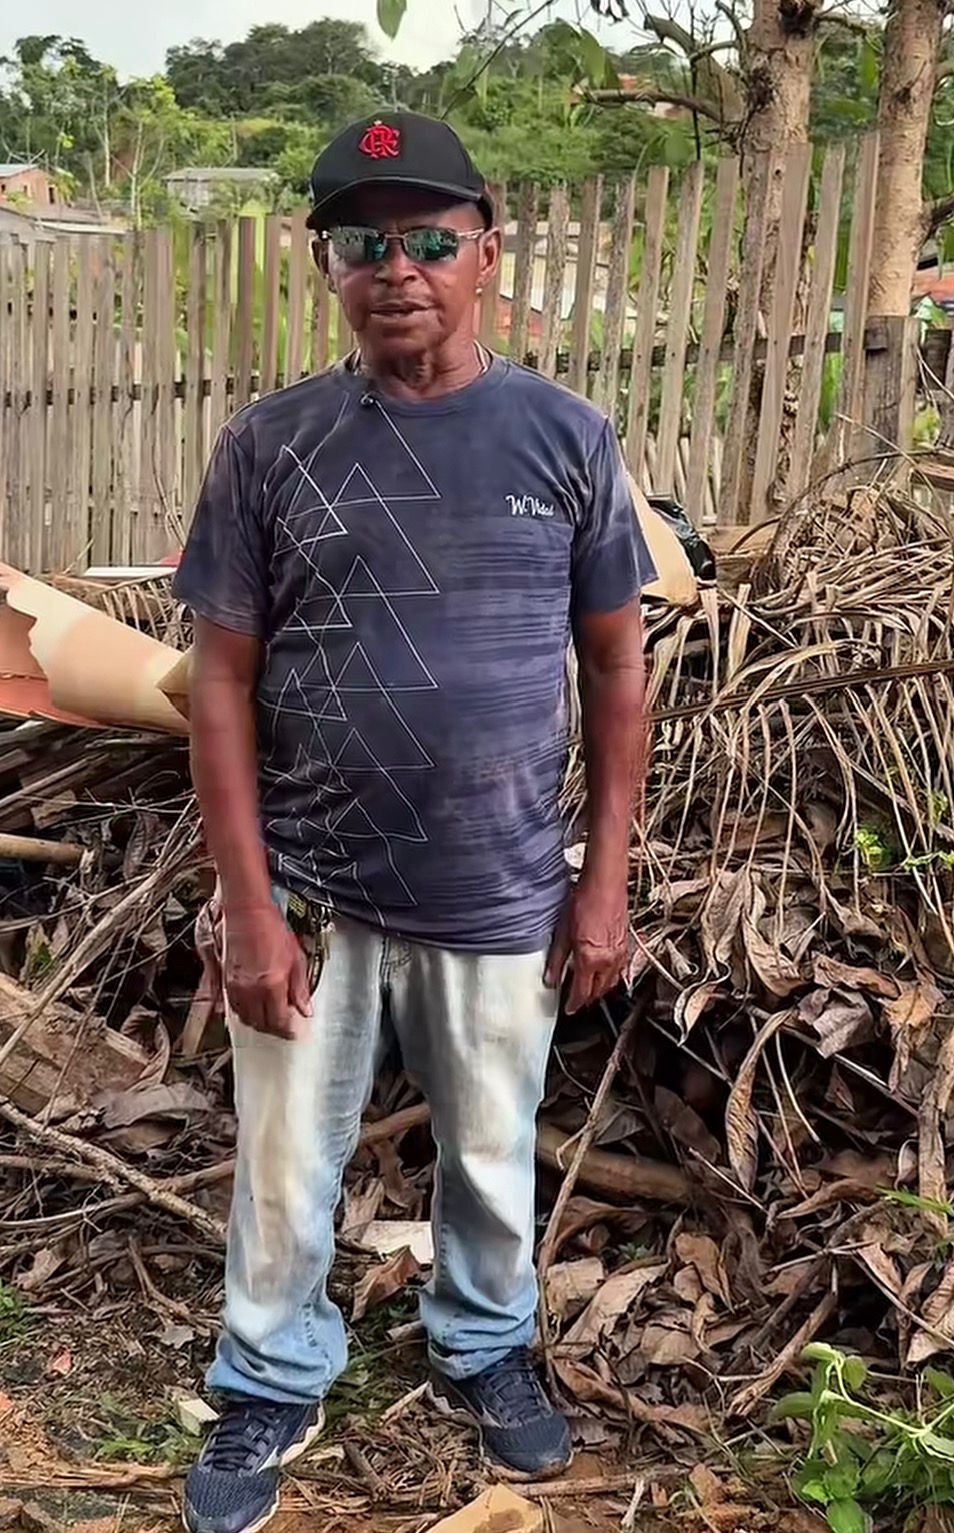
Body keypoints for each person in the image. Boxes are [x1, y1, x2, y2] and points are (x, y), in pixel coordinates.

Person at [174, 111, 653, 1533]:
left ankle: (485, 1342)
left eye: (430, 239)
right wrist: (245, 903)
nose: (400, 268)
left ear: (486, 257)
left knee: (494, 1140)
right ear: (325, 265)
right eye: (363, 241)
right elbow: (217, 677)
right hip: (313, 881)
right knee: (280, 1154)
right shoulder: (271, 446)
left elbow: (617, 661)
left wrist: (604, 875)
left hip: (503, 876)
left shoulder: (563, 435)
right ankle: (270, 1365)